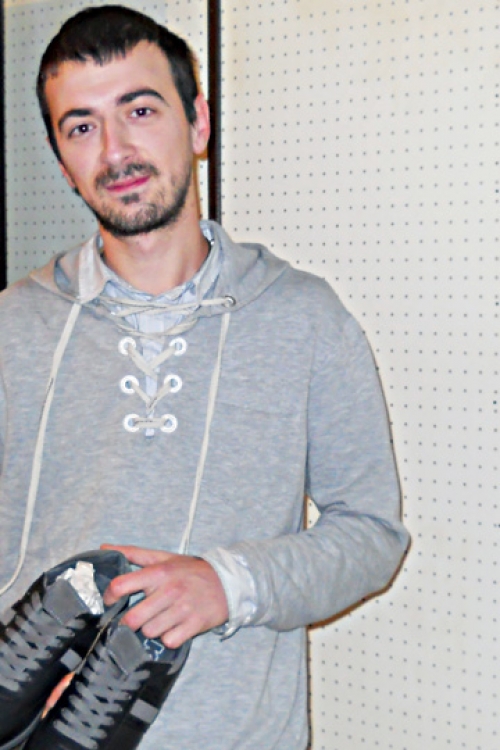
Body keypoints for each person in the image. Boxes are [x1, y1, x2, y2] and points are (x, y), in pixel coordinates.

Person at [0, 5, 409, 749]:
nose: (115, 150)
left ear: (198, 124)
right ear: (61, 161)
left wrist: (230, 583)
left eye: (141, 110)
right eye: (82, 126)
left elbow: (372, 534)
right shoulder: (11, 326)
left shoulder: (305, 318)